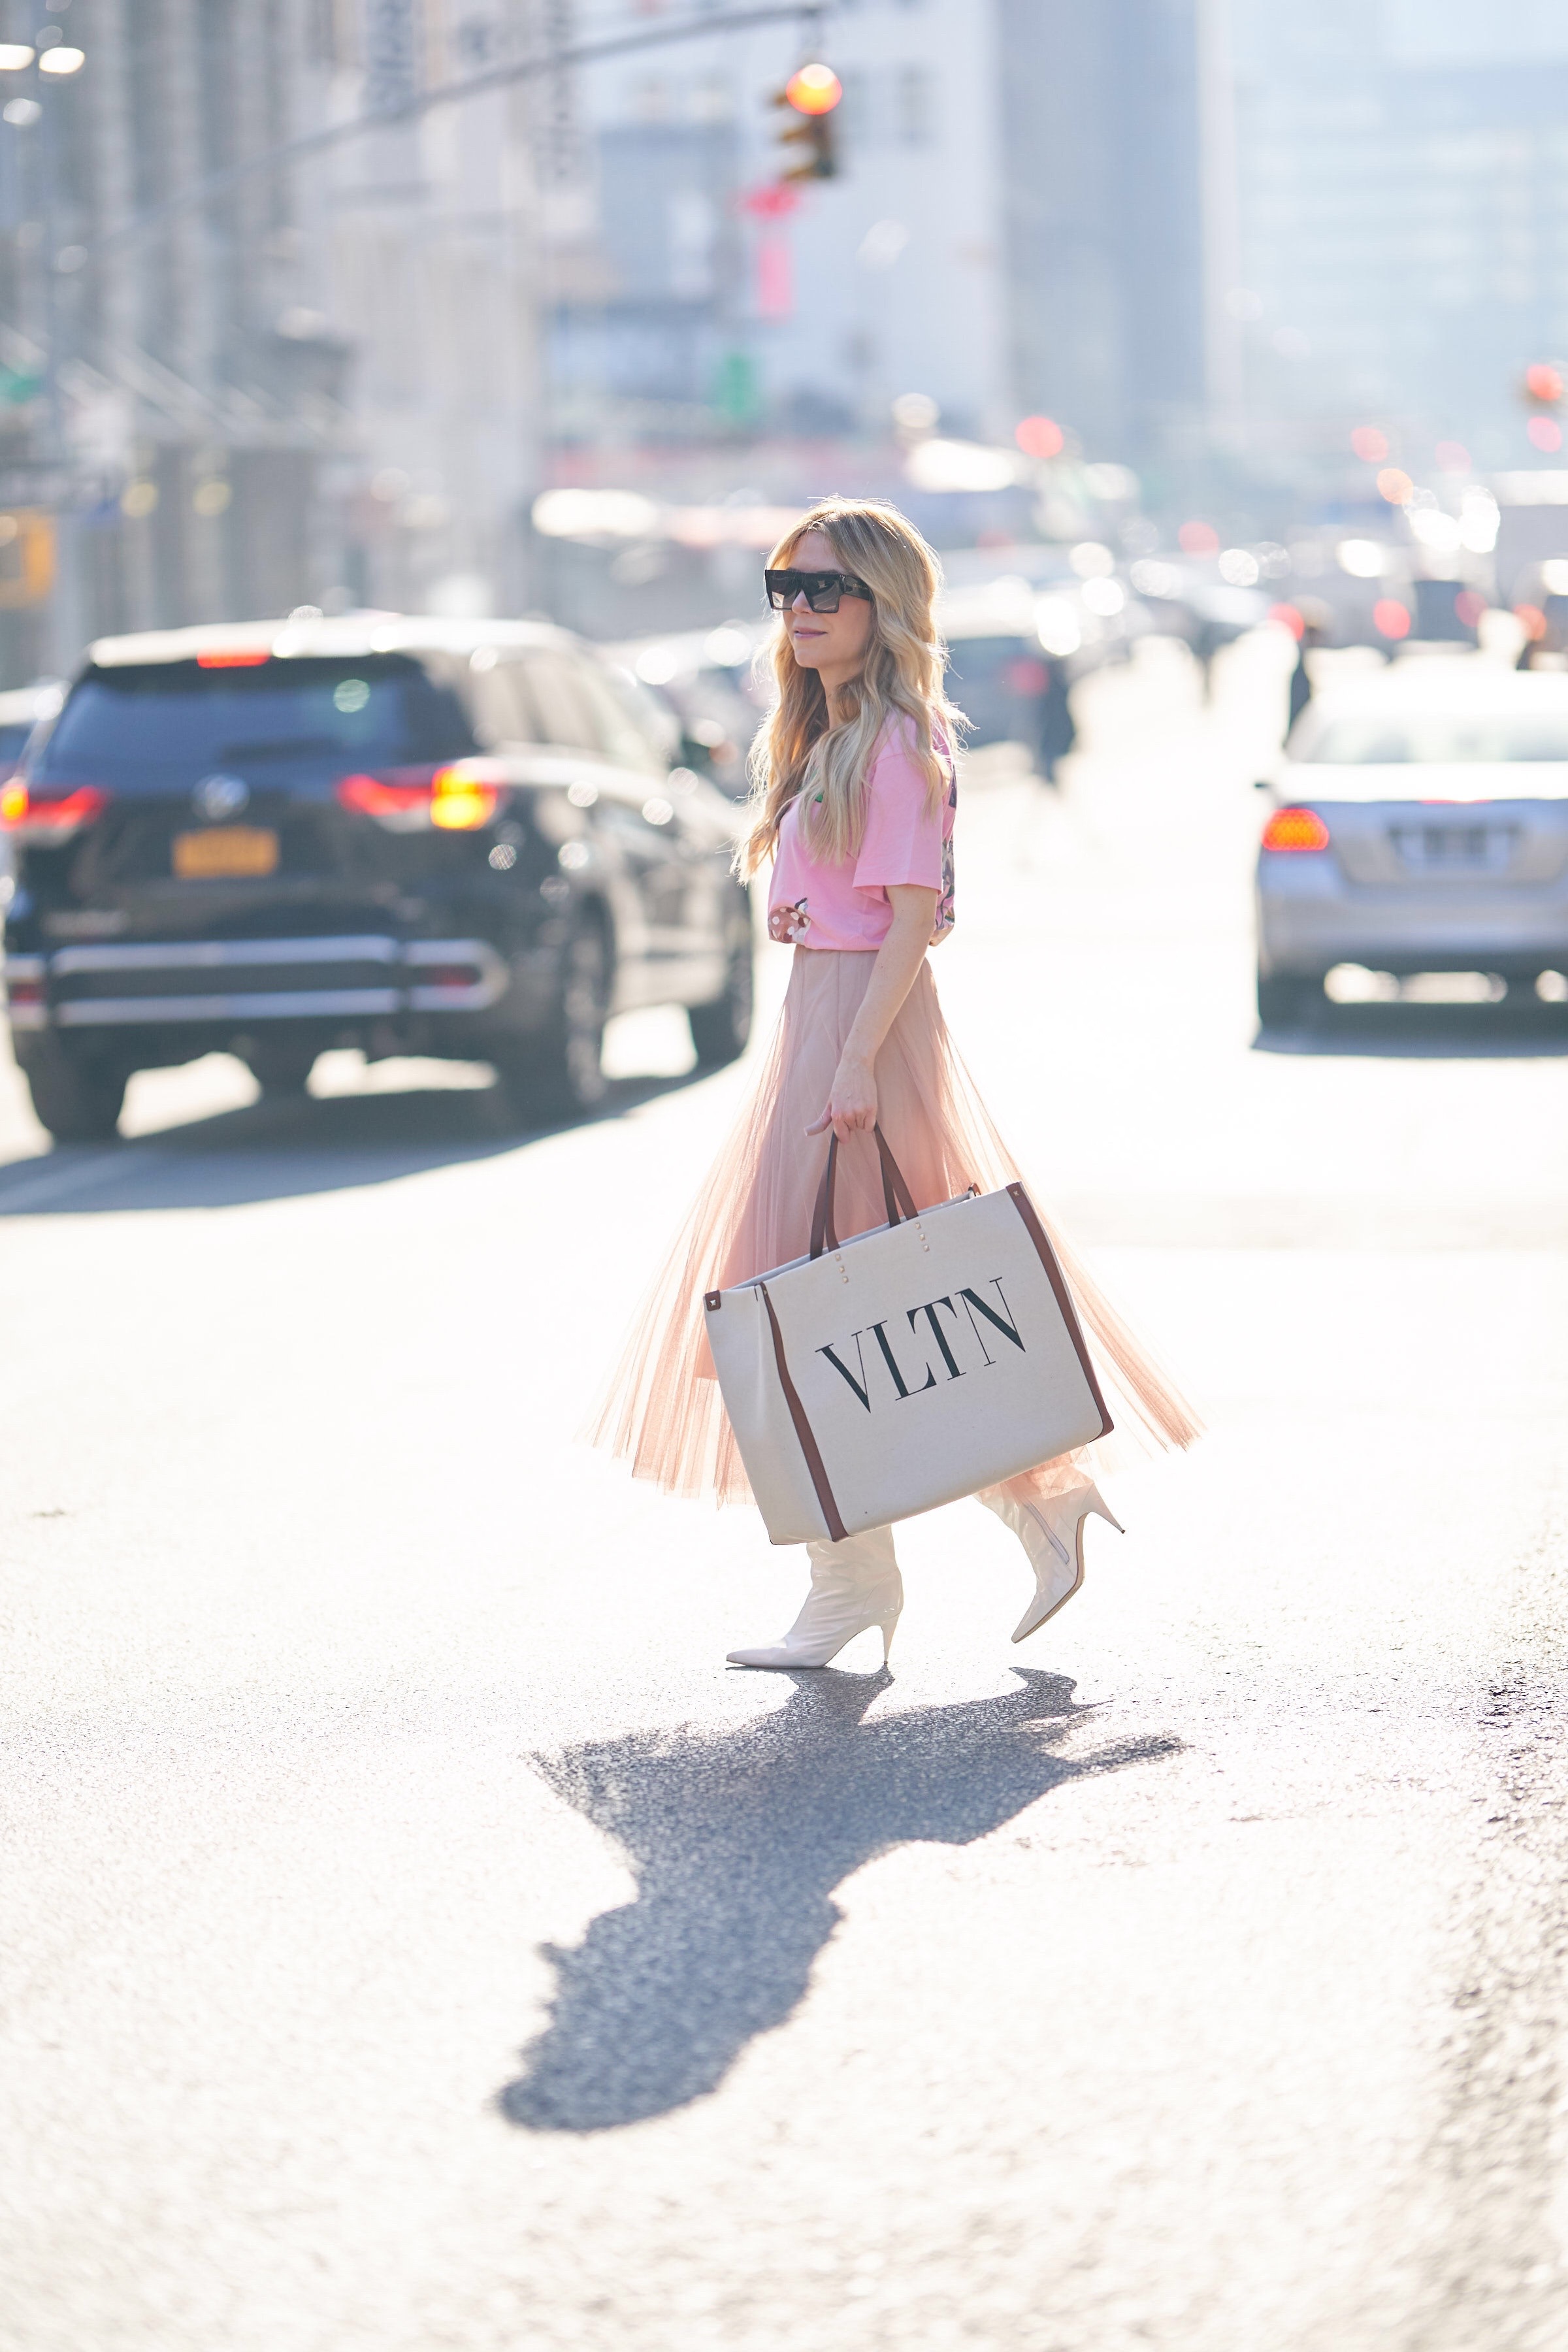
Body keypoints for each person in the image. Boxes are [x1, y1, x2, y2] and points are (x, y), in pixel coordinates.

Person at [591, 498, 1201, 1669]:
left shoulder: (901, 744)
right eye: (788, 590)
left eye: (827, 589)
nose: (803, 612)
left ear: (888, 603)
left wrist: (858, 1061)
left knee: (813, 1292)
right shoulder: (831, 732)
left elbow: (913, 921)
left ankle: (885, 1567)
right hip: (827, 1012)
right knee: (852, 1298)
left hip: (863, 1018)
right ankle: (1000, 1514)